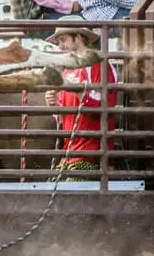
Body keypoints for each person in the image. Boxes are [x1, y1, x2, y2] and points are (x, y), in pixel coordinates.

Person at [44, 17, 118, 171]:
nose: (60, 46)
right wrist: (53, 103)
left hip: (92, 155)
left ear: (78, 37)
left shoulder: (99, 65)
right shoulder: (68, 69)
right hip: (71, 155)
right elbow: (64, 117)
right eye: (59, 42)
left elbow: (105, 107)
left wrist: (77, 91)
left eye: (63, 40)